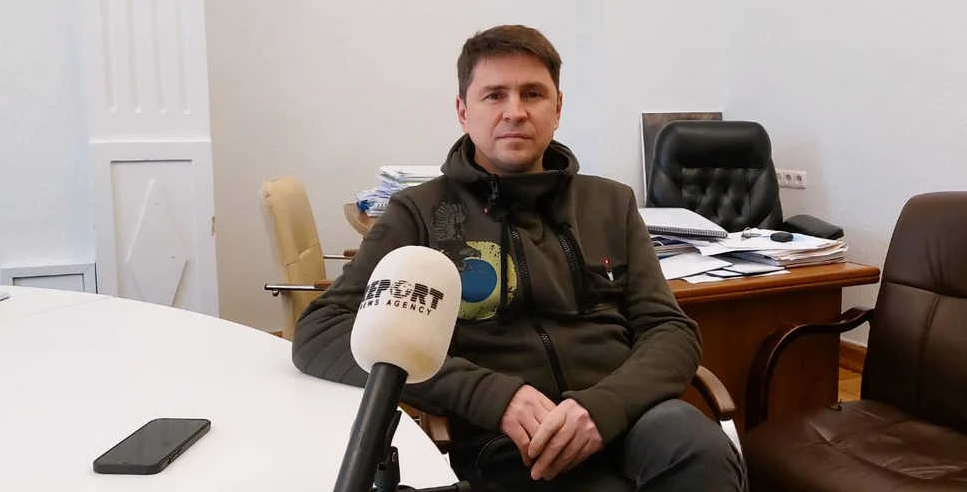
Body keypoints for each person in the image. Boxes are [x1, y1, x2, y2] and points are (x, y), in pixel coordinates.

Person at [292, 25, 744, 492]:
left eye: (532, 93)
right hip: (502, 441)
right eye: (494, 95)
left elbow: (670, 329)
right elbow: (321, 331)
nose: (515, 112)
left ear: (557, 108)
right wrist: (489, 395)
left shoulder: (611, 202)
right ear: (463, 111)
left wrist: (603, 407)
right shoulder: (420, 214)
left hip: (627, 417)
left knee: (702, 450)